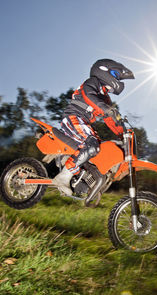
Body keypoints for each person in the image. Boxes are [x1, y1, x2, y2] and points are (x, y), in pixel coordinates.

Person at [54, 59, 134, 195]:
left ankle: (84, 178)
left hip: (83, 123)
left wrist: (123, 132)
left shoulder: (105, 98)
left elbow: (109, 119)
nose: (117, 81)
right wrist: (107, 109)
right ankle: (63, 176)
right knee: (92, 144)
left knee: (100, 149)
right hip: (73, 118)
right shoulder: (92, 83)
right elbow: (90, 96)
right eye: (116, 75)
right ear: (103, 71)